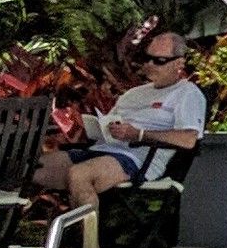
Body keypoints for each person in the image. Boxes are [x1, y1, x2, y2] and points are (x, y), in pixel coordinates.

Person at [33, 33, 206, 212]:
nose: (150, 65)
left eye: (159, 60)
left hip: (137, 159)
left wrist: (139, 134)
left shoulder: (187, 93)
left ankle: (86, 240)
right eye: (146, 58)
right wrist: (102, 128)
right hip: (101, 150)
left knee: (79, 174)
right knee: (32, 169)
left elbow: (189, 139)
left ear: (179, 63)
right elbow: (109, 122)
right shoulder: (133, 94)